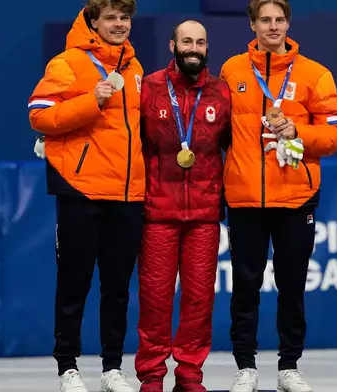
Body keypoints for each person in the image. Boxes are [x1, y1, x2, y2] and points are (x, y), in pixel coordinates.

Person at [219, 1, 337, 391]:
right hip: (244, 198)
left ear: (288, 24)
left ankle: (289, 366)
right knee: (244, 285)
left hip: (295, 197)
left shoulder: (314, 74)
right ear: (253, 25)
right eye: (265, 20)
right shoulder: (231, 70)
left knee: (291, 286)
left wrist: (299, 133)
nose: (273, 27)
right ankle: (246, 367)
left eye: (279, 20)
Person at [26, 1, 144, 391]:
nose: (120, 24)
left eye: (124, 17)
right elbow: (39, 115)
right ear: (93, 22)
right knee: (74, 284)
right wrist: (91, 99)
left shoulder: (135, 68)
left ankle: (113, 368)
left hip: (127, 194)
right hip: (81, 190)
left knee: (118, 287)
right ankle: (68, 367)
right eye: (111, 17)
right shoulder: (67, 63)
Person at [134, 20, 231, 392]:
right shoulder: (151, 88)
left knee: (199, 299)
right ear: (172, 46)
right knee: (155, 299)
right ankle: (152, 375)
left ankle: (190, 374)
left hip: (205, 214)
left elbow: (233, 146)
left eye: (201, 42)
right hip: (158, 211)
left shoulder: (221, 92)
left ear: (207, 47)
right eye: (187, 41)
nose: (194, 47)